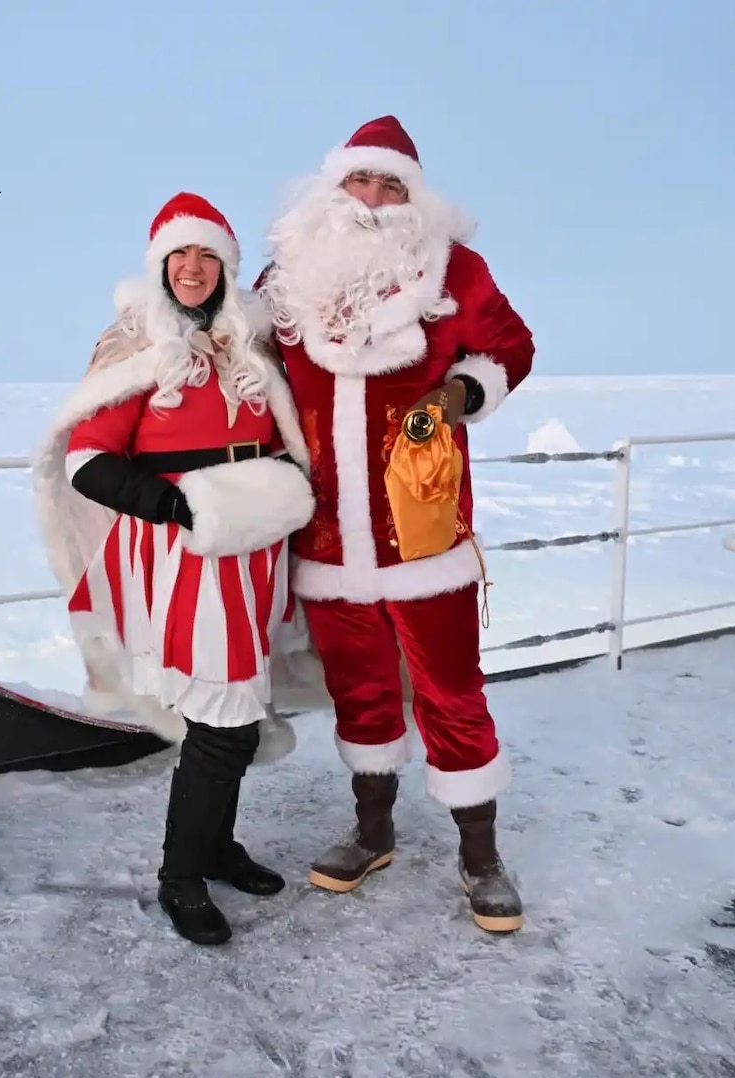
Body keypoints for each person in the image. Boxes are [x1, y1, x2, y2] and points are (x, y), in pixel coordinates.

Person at [257, 116, 535, 932]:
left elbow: (511, 347)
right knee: (361, 693)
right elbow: (239, 359)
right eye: (360, 181)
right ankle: (371, 829)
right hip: (327, 538)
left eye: (391, 186)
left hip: (423, 536)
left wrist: (457, 397)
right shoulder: (288, 277)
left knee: (452, 692)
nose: (374, 199)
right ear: (330, 190)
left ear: (415, 200)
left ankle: (480, 853)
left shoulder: (458, 270)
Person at [32, 191, 315, 946]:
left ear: (226, 265)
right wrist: (184, 509)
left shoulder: (249, 347)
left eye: (207, 255)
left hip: (254, 555)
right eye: (178, 256)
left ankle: (216, 849)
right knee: (222, 725)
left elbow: (285, 435)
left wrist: (280, 490)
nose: (192, 268)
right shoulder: (133, 347)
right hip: (182, 557)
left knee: (235, 717)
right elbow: (90, 464)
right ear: (159, 267)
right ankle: (180, 877)